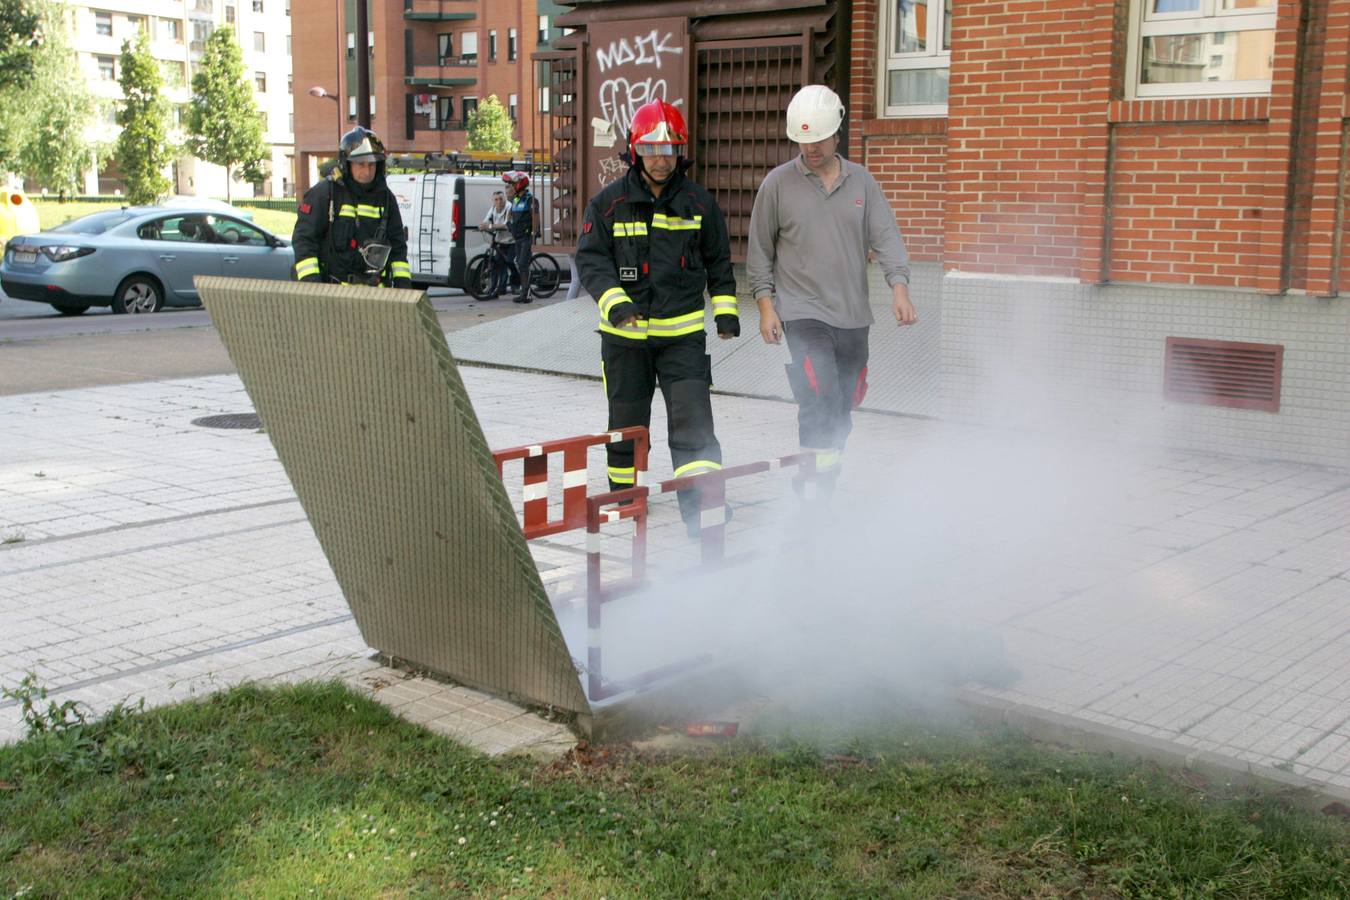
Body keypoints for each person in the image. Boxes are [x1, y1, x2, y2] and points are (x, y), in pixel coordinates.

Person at [575, 99, 741, 537]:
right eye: (651, 149)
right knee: (627, 426)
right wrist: (618, 305)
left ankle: (703, 509)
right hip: (624, 340)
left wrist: (725, 313)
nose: (661, 158)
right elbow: (592, 263)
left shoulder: (700, 204)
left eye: (669, 149)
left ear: (681, 151)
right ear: (635, 150)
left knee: (694, 426)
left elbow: (719, 263)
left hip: (682, 341)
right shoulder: (607, 205)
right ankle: (625, 502)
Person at [747, 84, 916, 499]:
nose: (811, 148)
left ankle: (825, 473)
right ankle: (813, 483)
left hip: (853, 315)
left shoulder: (862, 183)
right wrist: (767, 307)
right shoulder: (777, 185)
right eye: (803, 141)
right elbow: (759, 251)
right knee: (817, 389)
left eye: (819, 139)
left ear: (836, 132)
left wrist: (900, 288)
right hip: (801, 311)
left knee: (844, 401)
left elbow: (887, 239)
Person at [292, 127, 412, 287]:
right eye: (360, 164)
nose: (367, 171)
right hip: (332, 295)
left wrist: (403, 286)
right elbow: (304, 241)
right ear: (346, 164)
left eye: (372, 164)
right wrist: (312, 285)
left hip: (375, 296)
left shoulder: (386, 199)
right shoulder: (326, 193)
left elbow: (397, 247)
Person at [502, 171, 536, 304]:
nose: (511, 186)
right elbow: (510, 216)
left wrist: (534, 232)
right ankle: (524, 293)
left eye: (513, 184)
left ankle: (526, 294)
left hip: (527, 237)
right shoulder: (515, 200)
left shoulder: (530, 199)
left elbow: (535, 216)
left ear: (520, 184)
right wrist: (510, 225)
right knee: (519, 263)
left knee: (522, 264)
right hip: (518, 238)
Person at [478, 190, 517, 298]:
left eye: (501, 199)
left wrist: (490, 226)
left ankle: (517, 284)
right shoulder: (493, 208)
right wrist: (482, 226)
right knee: (495, 266)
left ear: (505, 199)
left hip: (511, 241)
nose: (499, 202)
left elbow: (506, 225)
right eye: (496, 200)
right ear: (493, 201)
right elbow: (486, 221)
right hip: (500, 241)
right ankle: (495, 290)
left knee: (510, 262)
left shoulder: (509, 207)